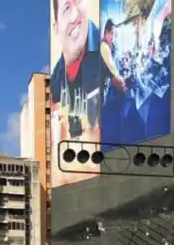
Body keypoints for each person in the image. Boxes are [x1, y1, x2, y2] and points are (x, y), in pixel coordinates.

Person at [50, 0, 103, 144]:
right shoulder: (55, 82)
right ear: (56, 28)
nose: (75, 15)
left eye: (78, 2)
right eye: (66, 9)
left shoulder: (107, 52)